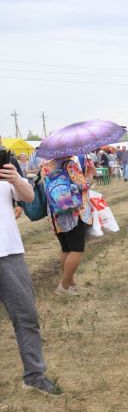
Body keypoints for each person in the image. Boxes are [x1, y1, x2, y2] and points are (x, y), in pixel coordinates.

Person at [0, 159, 63, 396]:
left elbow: (28, 197)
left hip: (9, 252)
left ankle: (34, 376)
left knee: (26, 315)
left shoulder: (6, 163)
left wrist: (15, 178)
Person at [40, 156, 91, 295]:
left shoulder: (46, 165)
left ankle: (71, 283)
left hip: (55, 213)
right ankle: (64, 286)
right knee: (76, 249)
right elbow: (82, 186)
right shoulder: (69, 164)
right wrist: (90, 175)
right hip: (72, 212)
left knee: (66, 249)